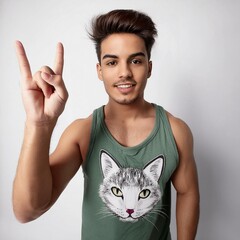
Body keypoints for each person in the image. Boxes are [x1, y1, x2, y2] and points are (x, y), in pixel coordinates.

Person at [13, 9, 199, 240]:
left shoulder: (175, 131)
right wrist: (38, 124)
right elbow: (27, 211)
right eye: (112, 62)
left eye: (136, 61)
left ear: (148, 68)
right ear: (100, 70)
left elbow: (187, 192)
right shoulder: (82, 133)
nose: (124, 72)